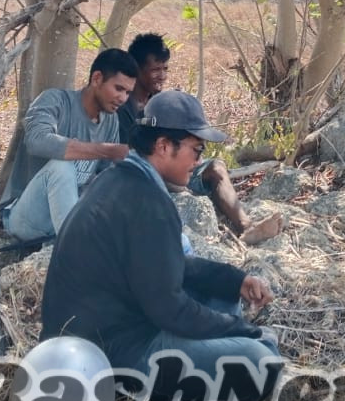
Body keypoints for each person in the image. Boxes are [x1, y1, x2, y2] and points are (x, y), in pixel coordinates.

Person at [41, 89, 283, 401]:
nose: (197, 162)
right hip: (114, 356)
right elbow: (170, 310)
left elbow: (170, 267)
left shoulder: (121, 180)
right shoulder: (147, 204)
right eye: (196, 151)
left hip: (101, 333)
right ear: (164, 146)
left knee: (220, 295)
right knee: (262, 363)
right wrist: (243, 331)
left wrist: (235, 280)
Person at [119, 32, 283, 245]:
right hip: (147, 173)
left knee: (215, 167)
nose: (162, 76)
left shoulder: (161, 103)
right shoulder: (122, 107)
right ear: (137, 69)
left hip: (173, 167)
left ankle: (246, 226)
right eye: (155, 70)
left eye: (165, 69)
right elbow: (127, 157)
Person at [0, 48, 138, 244]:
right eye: (118, 89)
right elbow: (37, 140)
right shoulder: (55, 101)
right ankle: (77, 251)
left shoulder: (110, 120)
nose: (123, 99)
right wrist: (107, 149)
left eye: (128, 93)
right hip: (27, 218)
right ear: (97, 78)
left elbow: (106, 177)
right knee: (62, 167)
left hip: (71, 217)